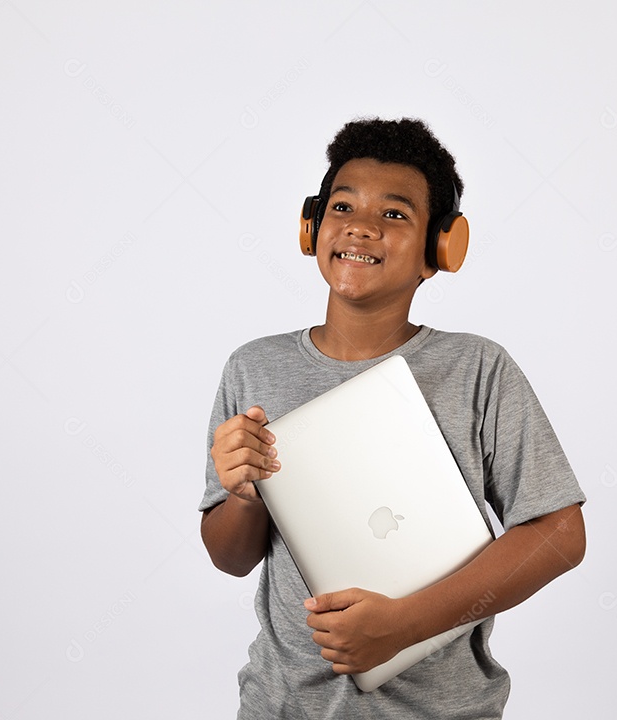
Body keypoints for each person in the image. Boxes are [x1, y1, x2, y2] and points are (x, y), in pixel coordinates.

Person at [199, 117, 586, 719]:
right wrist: (245, 497)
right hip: (281, 707)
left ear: (439, 249)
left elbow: (560, 535)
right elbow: (231, 558)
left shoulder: (477, 369)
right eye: (342, 206)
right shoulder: (254, 368)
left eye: (394, 214)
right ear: (312, 227)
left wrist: (404, 625)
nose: (360, 225)